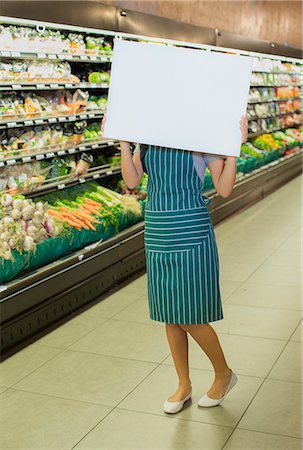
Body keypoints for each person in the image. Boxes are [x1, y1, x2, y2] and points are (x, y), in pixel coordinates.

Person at [102, 114, 248, 414]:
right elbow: (131, 181)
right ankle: (183, 384)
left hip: (191, 232)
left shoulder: (202, 137)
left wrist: (234, 149)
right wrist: (124, 140)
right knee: (170, 314)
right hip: (157, 232)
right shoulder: (149, 139)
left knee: (190, 315)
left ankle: (223, 373)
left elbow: (223, 189)